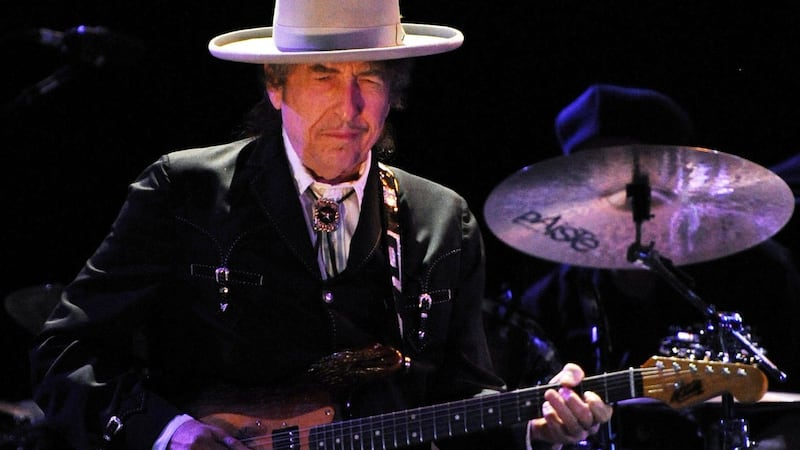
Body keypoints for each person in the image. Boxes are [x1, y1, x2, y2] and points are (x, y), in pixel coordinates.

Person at [28, 1, 612, 449]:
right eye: (324, 75)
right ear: (275, 86)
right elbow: (65, 352)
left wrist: (534, 427)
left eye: (372, 78)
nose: (351, 107)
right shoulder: (183, 190)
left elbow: (461, 398)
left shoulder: (442, 219)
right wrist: (172, 431)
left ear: (395, 92)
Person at [508, 83, 800, 448]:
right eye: (600, 178)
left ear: (683, 177)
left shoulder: (760, 271)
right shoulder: (547, 303)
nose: (625, 196)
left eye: (640, 183)